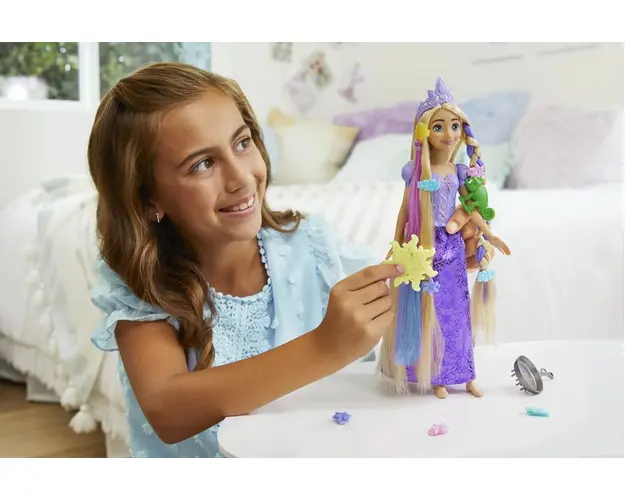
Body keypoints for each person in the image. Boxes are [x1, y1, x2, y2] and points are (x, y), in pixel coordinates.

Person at [88, 63, 492, 458]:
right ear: (148, 199)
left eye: (242, 143)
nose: (241, 178)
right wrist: (324, 347)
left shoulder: (313, 246)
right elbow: (167, 409)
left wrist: (438, 266)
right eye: (203, 164)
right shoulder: (144, 285)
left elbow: (390, 312)